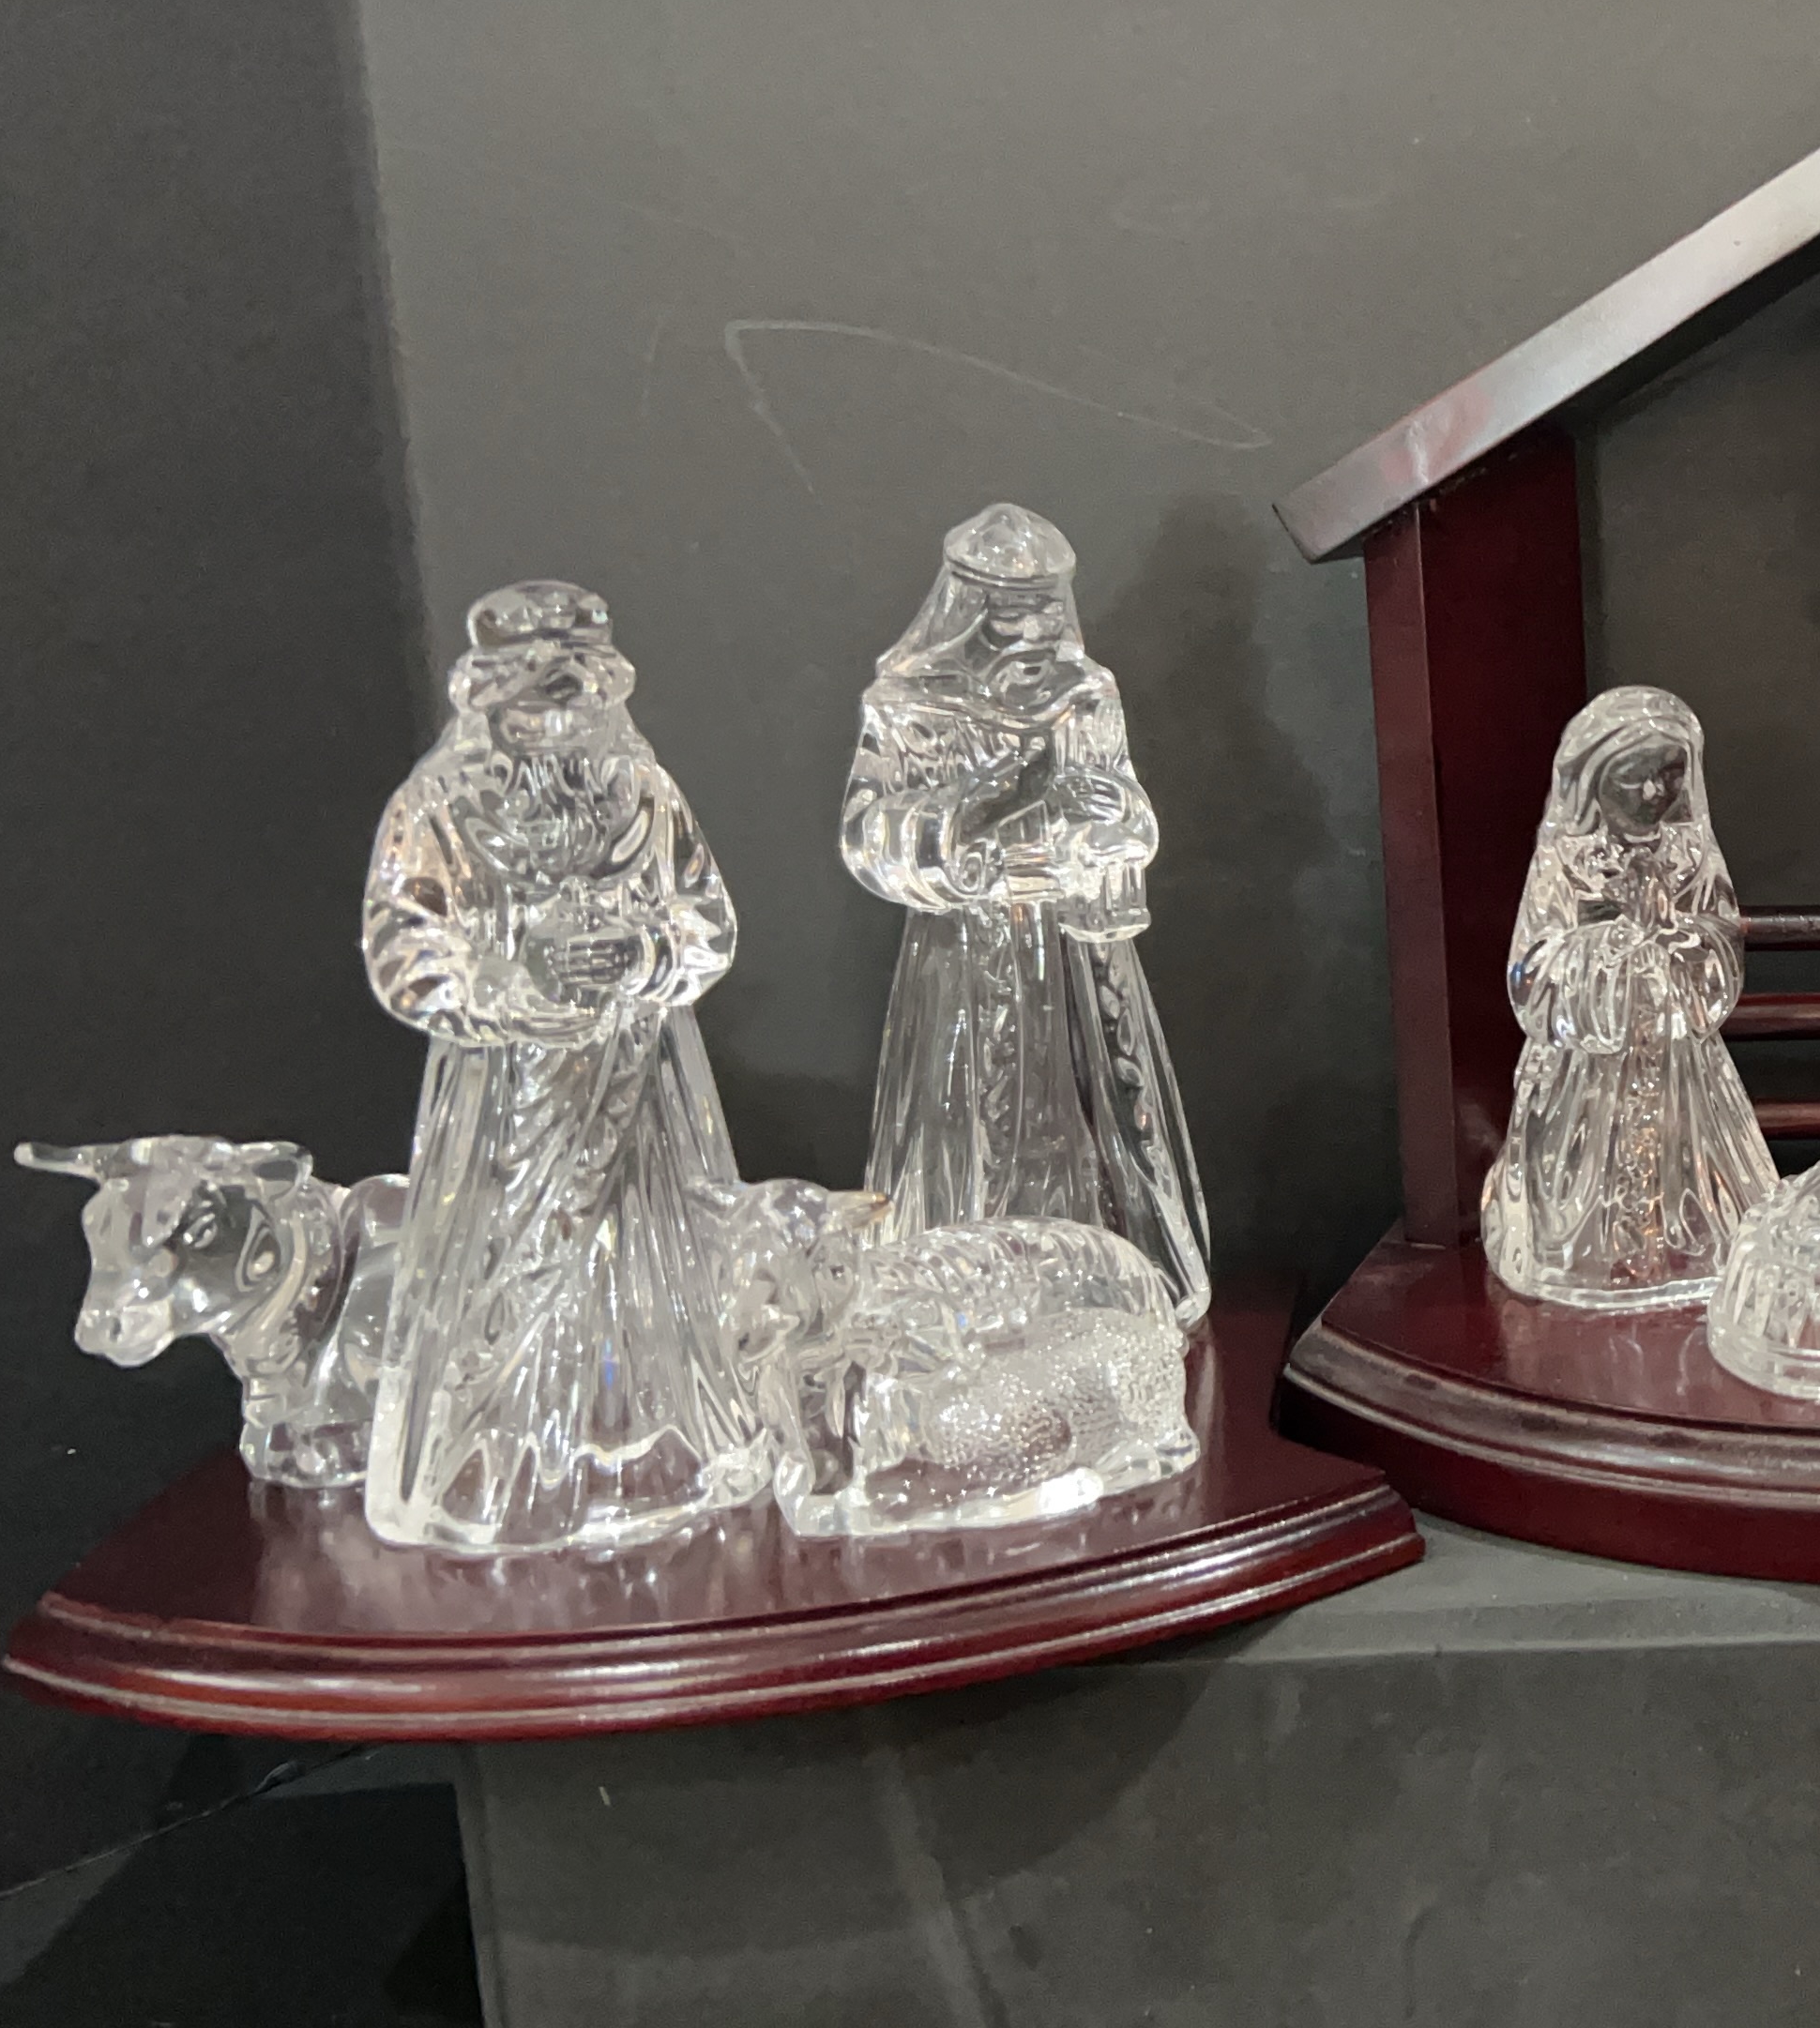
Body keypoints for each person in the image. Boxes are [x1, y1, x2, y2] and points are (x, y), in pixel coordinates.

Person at [361, 581, 763, 1551]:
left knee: (655, 1264)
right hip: (503, 1103)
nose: (561, 719)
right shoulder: (439, 810)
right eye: (538, 697)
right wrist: (511, 984)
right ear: (490, 697)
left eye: (579, 695)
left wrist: (643, 954)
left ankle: (674, 1442)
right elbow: (404, 953)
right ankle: (506, 1468)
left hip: (639, 1083)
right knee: (501, 1278)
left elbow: (707, 925)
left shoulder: (643, 797)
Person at [842, 504, 1208, 1322]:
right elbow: (868, 837)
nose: (1041, 630)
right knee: (965, 1117)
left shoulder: (1083, 695)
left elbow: (1130, 817)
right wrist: (998, 798)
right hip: (961, 952)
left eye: (1050, 607)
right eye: (1017, 612)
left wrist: (1113, 820)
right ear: (968, 608)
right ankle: (960, 1289)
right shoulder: (909, 704)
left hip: (1071, 950)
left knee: (1080, 1112)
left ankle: (1104, 1272)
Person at [1480, 687, 1775, 1309]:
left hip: (1677, 1061)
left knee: (1696, 1185)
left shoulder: (1690, 856)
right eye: (1632, 778)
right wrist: (1613, 940)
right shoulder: (1566, 862)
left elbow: (1721, 949)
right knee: (1578, 1180)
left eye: (1668, 776)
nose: (1652, 793)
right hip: (1589, 1069)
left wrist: (1673, 933)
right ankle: (1581, 1250)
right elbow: (1533, 975)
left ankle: (1684, 1246)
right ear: (1593, 781)